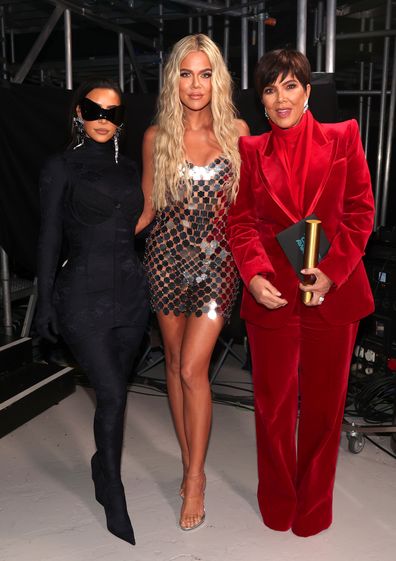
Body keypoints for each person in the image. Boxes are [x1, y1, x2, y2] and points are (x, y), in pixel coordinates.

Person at [227, 49, 375, 537]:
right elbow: (242, 222)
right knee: (272, 409)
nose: (281, 97)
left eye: (290, 86)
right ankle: (276, 502)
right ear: (262, 102)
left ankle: (314, 508)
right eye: (270, 89)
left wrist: (332, 271)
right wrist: (252, 275)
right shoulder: (251, 152)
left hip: (332, 294)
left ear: (308, 93)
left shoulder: (343, 137)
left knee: (324, 409)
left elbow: (360, 213)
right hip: (274, 294)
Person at [136, 33, 249, 531]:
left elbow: (250, 212)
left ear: (217, 79)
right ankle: (186, 462)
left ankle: (197, 478)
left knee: (193, 368)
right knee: (176, 368)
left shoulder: (239, 134)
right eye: (186, 73)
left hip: (217, 268)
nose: (195, 84)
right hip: (164, 263)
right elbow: (145, 210)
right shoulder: (156, 136)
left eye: (205, 73)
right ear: (173, 80)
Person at [36, 78, 149, 546]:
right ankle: (113, 488)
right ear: (79, 113)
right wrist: (44, 302)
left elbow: (141, 223)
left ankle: (102, 467)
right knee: (114, 394)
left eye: (113, 112)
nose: (104, 119)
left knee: (113, 394)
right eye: (94, 109)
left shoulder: (132, 168)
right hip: (82, 295)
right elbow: (48, 238)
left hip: (132, 296)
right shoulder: (60, 167)